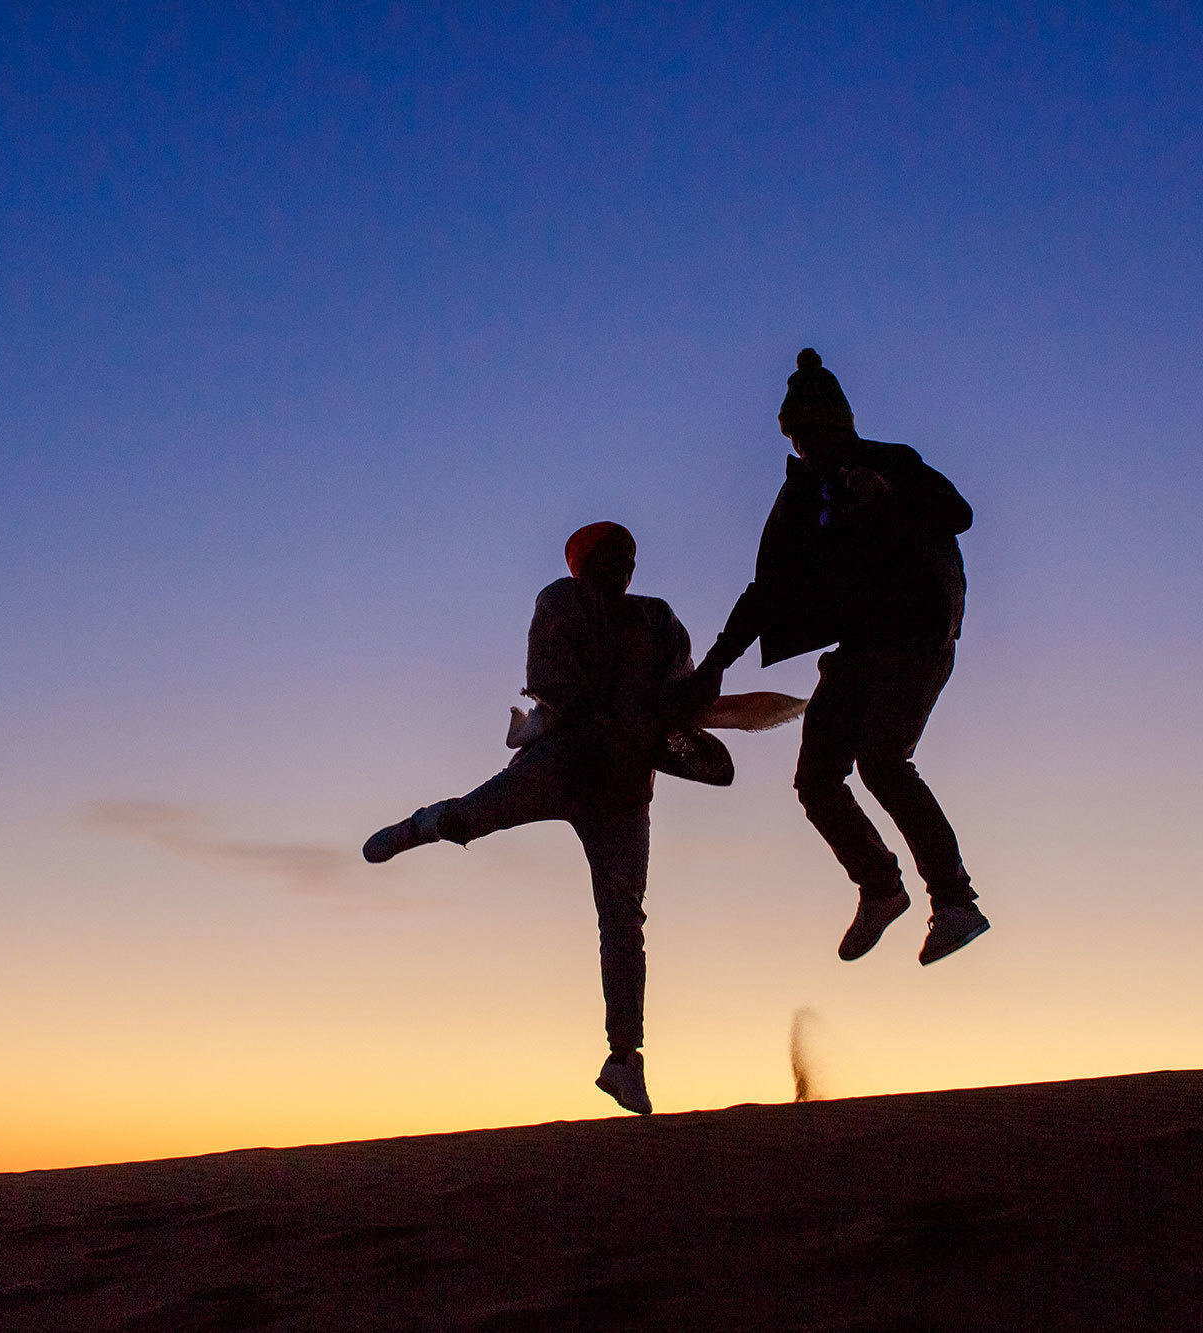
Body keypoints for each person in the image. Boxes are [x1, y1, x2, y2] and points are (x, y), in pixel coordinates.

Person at [362, 522, 724, 1116]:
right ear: (582, 563)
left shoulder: (658, 618)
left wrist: (689, 702)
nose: (623, 567)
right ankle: (424, 823)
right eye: (610, 557)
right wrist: (619, 726)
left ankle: (624, 1059)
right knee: (470, 820)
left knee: (623, 921)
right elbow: (556, 684)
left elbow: (681, 689)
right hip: (559, 762)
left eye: (630, 558)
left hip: (625, 790)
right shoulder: (559, 600)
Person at [682, 349, 987, 966]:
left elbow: (960, 515)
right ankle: (879, 887)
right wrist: (715, 664)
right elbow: (765, 591)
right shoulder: (799, 499)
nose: (808, 444)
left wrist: (892, 495)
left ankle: (956, 902)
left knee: (882, 761)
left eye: (818, 430)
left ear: (843, 423)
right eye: (798, 436)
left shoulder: (891, 461)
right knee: (816, 780)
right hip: (860, 647)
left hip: (918, 635)